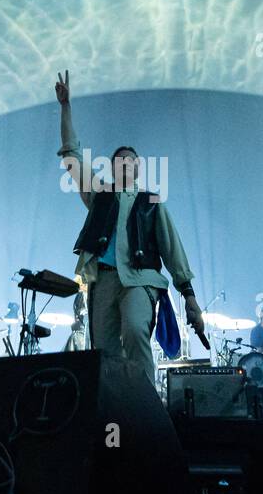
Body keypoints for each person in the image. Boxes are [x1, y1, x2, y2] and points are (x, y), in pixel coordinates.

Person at [54, 70, 205, 388]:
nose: (125, 163)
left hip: (140, 279)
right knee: (104, 351)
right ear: (112, 168)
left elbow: (172, 248)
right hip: (104, 280)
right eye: (119, 160)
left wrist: (188, 295)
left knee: (135, 331)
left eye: (131, 160)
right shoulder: (99, 195)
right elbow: (72, 155)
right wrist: (66, 107)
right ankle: (114, 410)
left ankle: (145, 403)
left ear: (138, 168)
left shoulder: (150, 200)